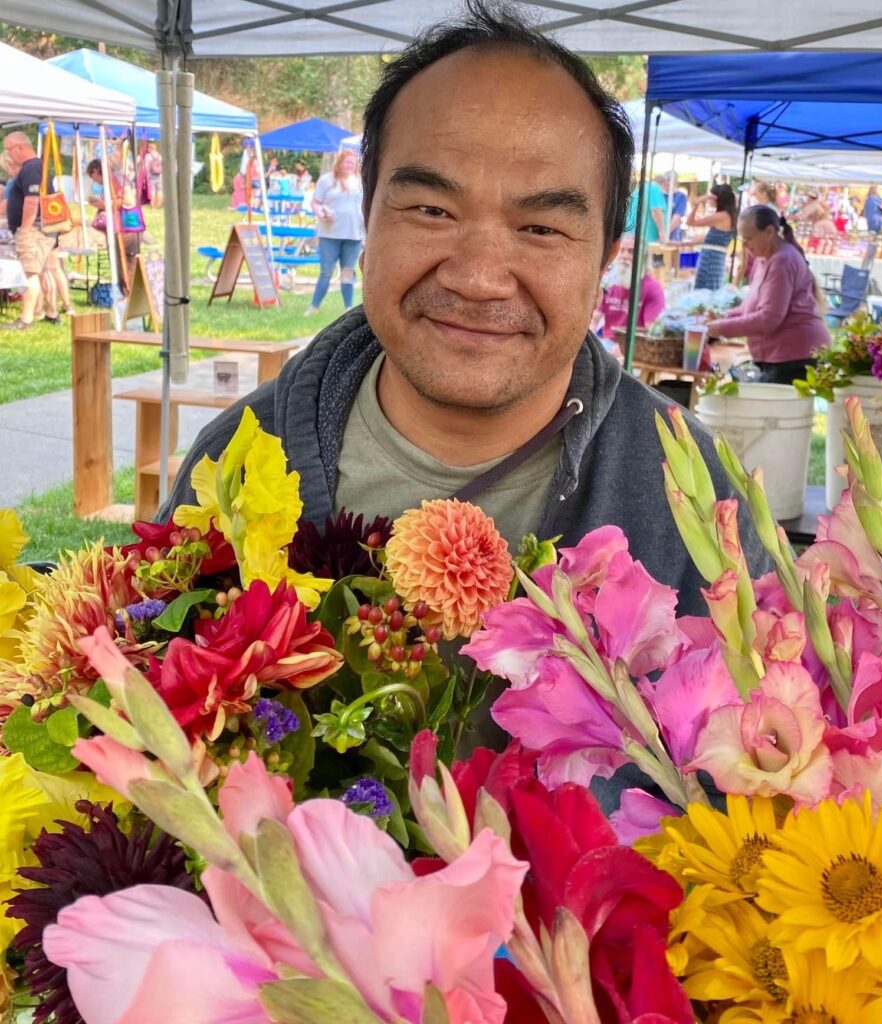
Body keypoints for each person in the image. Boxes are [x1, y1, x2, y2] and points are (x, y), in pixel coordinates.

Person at [161, 4, 769, 772]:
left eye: (542, 228)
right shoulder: (243, 460)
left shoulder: (692, 496)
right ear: (367, 217)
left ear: (606, 257)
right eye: (431, 209)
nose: (479, 277)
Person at [706, 205, 830, 385]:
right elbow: (752, 306)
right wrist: (723, 318)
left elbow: (769, 318)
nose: (745, 245)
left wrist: (719, 328)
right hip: (781, 356)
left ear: (769, 231)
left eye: (748, 239)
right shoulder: (763, 259)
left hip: (795, 357)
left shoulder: (782, 261)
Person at [1, 131, 60, 330]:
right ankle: (52, 313)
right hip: (41, 229)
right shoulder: (36, 166)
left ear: (20, 147)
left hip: (33, 230)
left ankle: (26, 319)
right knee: (43, 271)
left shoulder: (31, 168)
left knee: (29, 273)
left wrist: (25, 228)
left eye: (9, 149)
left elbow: (32, 200)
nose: (8, 154)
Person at [307, 148, 365, 316]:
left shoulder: (359, 182)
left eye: (352, 163)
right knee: (326, 272)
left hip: (353, 235)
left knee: (348, 271)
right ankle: (314, 306)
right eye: (347, 162)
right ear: (340, 162)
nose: (349, 165)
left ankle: (348, 308)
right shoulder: (327, 180)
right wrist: (321, 213)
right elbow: (316, 202)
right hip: (329, 234)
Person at [592, 236, 665, 338]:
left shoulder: (653, 288)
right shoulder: (609, 283)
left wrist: (622, 347)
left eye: (631, 251)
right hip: (606, 343)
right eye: (622, 251)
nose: (625, 256)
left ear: (643, 258)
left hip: (636, 347)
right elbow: (594, 318)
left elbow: (651, 330)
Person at [688, 183, 737, 291]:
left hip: (710, 258)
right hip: (717, 257)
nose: (709, 200)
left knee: (704, 289)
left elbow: (690, 222)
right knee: (712, 288)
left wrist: (698, 203)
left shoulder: (720, 216)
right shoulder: (729, 215)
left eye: (711, 197)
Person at [623, 177, 667, 246]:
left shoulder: (638, 191)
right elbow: (656, 210)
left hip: (631, 236)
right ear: (664, 184)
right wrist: (662, 232)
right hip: (646, 238)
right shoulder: (654, 188)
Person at [657, 173, 688, 242]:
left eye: (670, 181)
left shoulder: (680, 196)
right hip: (655, 234)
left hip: (672, 236)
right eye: (665, 180)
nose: (666, 183)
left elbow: (677, 218)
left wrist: (665, 234)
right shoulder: (658, 194)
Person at [144, 142, 163, 209]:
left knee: (152, 190)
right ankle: (158, 205)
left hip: (151, 176)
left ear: (150, 148)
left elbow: (146, 167)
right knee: (159, 190)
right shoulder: (159, 156)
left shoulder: (148, 156)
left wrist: (145, 175)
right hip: (159, 175)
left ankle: (152, 205)